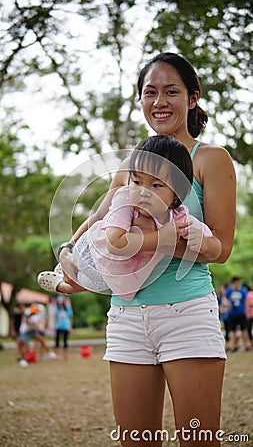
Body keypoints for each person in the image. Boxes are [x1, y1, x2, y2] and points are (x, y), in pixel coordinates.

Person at [57, 52, 236, 446]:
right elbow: (99, 221)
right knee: (136, 441)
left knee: (199, 440)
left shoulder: (210, 159)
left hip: (186, 314)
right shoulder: (130, 165)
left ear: (192, 98)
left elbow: (220, 248)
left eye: (171, 91)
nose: (159, 101)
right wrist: (70, 256)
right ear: (140, 100)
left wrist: (141, 243)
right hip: (126, 317)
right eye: (149, 92)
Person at [38, 136, 215, 300]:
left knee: (84, 285)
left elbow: (210, 242)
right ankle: (67, 274)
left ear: (176, 193)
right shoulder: (126, 200)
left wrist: (201, 240)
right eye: (137, 183)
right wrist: (160, 238)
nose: (143, 192)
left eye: (156, 185)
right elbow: (115, 242)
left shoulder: (178, 217)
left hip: (115, 279)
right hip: (91, 257)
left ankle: (62, 286)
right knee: (78, 276)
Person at [225, 277, 251, 352]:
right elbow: (225, 298)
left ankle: (247, 345)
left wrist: (247, 311)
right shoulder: (230, 290)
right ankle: (234, 346)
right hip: (233, 313)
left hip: (241, 313)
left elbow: (246, 300)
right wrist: (228, 304)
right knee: (233, 331)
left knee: (244, 329)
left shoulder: (243, 290)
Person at [54, 295, 73, 360]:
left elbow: (70, 318)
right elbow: (55, 318)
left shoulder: (67, 310)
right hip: (58, 327)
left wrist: (70, 327)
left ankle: (66, 355)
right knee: (57, 341)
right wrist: (54, 326)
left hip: (65, 327)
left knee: (65, 341)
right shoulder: (57, 310)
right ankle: (56, 355)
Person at [217, 284, 232, 350]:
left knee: (228, 330)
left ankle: (228, 344)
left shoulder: (229, 298)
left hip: (229, 316)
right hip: (221, 316)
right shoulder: (219, 298)